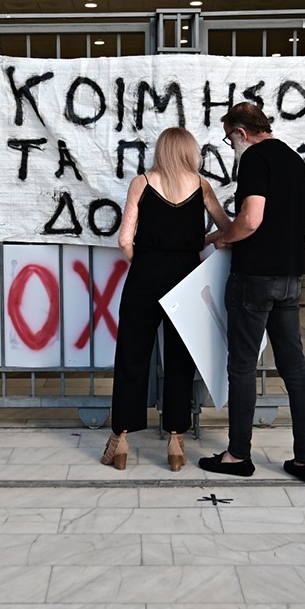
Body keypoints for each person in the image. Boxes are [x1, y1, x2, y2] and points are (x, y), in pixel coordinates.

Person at [199, 102, 305, 483]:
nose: (231, 146)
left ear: (240, 132)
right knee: (294, 367)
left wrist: (222, 238)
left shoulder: (254, 159)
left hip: (255, 277)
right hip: (291, 276)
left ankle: (238, 455)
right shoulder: (294, 160)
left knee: (242, 366)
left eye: (229, 138)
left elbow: (251, 219)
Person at [101, 127, 229, 471]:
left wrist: (144, 261)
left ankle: (121, 438)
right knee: (179, 358)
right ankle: (175, 440)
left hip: (145, 274)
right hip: (186, 276)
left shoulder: (141, 183)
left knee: (132, 355)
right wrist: (201, 241)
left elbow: (124, 240)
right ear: (189, 151)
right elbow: (226, 229)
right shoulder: (201, 185)